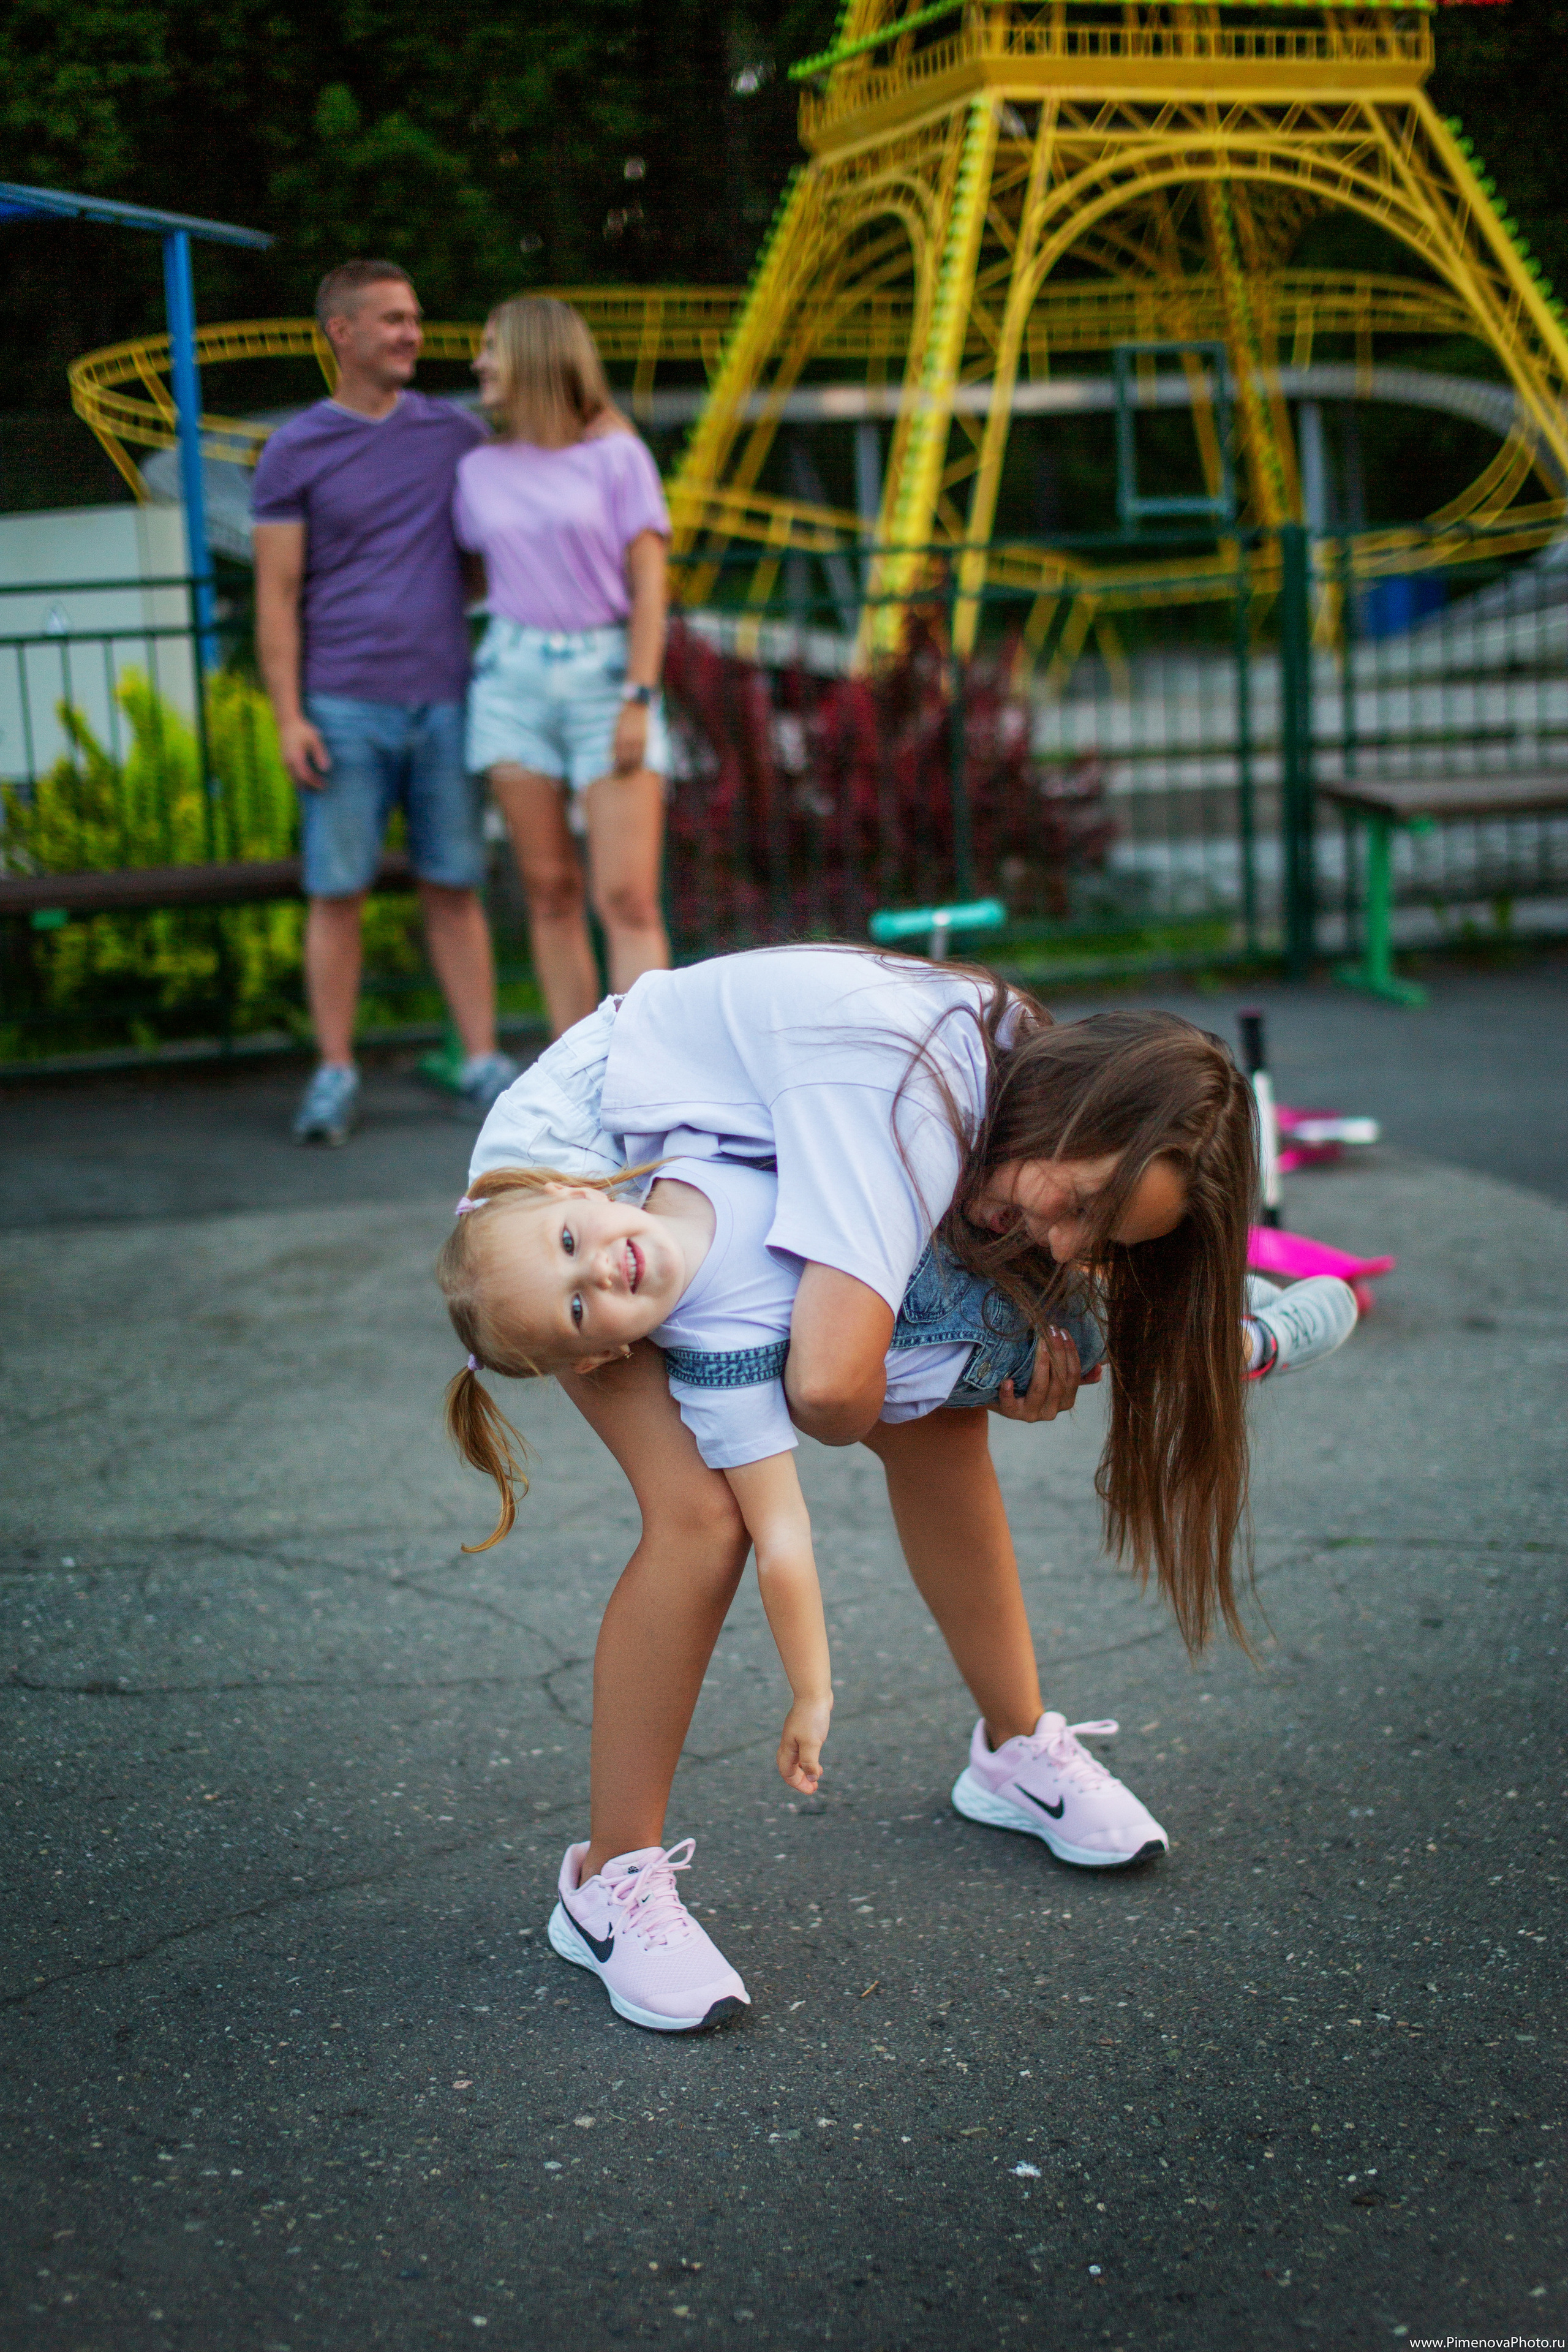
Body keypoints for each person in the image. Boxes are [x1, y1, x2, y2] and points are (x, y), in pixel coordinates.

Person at [450, 949, 1358, 2032]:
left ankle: (1016, 1750)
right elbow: (832, 1394)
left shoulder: (1021, 1065)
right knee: (704, 1518)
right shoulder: (907, 1097)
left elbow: (869, 1365)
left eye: (1096, 1239)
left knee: (942, 1432)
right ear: (1061, 1116)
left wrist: (985, 1363)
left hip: (699, 1173)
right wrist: (983, 1357)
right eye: (1073, 1203)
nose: (1061, 1244)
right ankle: (609, 1884)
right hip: (579, 1183)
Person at [252, 259, 518, 1145]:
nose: (412, 333)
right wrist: (290, 714)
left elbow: (490, 553)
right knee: (339, 893)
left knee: (455, 885)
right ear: (342, 332)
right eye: (393, 320)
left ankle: (481, 1063)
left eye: (415, 318)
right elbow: (275, 595)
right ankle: (333, 1074)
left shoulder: (457, 436)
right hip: (342, 708)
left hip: (446, 700)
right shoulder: (295, 449)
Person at [454, 296, 672, 1038]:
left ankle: (655, 1077)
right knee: (549, 893)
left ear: (537, 354)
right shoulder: (478, 469)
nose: (478, 362)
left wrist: (637, 696)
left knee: (628, 900)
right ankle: (575, 1080)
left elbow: (652, 582)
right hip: (511, 681)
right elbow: (475, 574)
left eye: (492, 346)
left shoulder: (618, 456)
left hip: (606, 680)